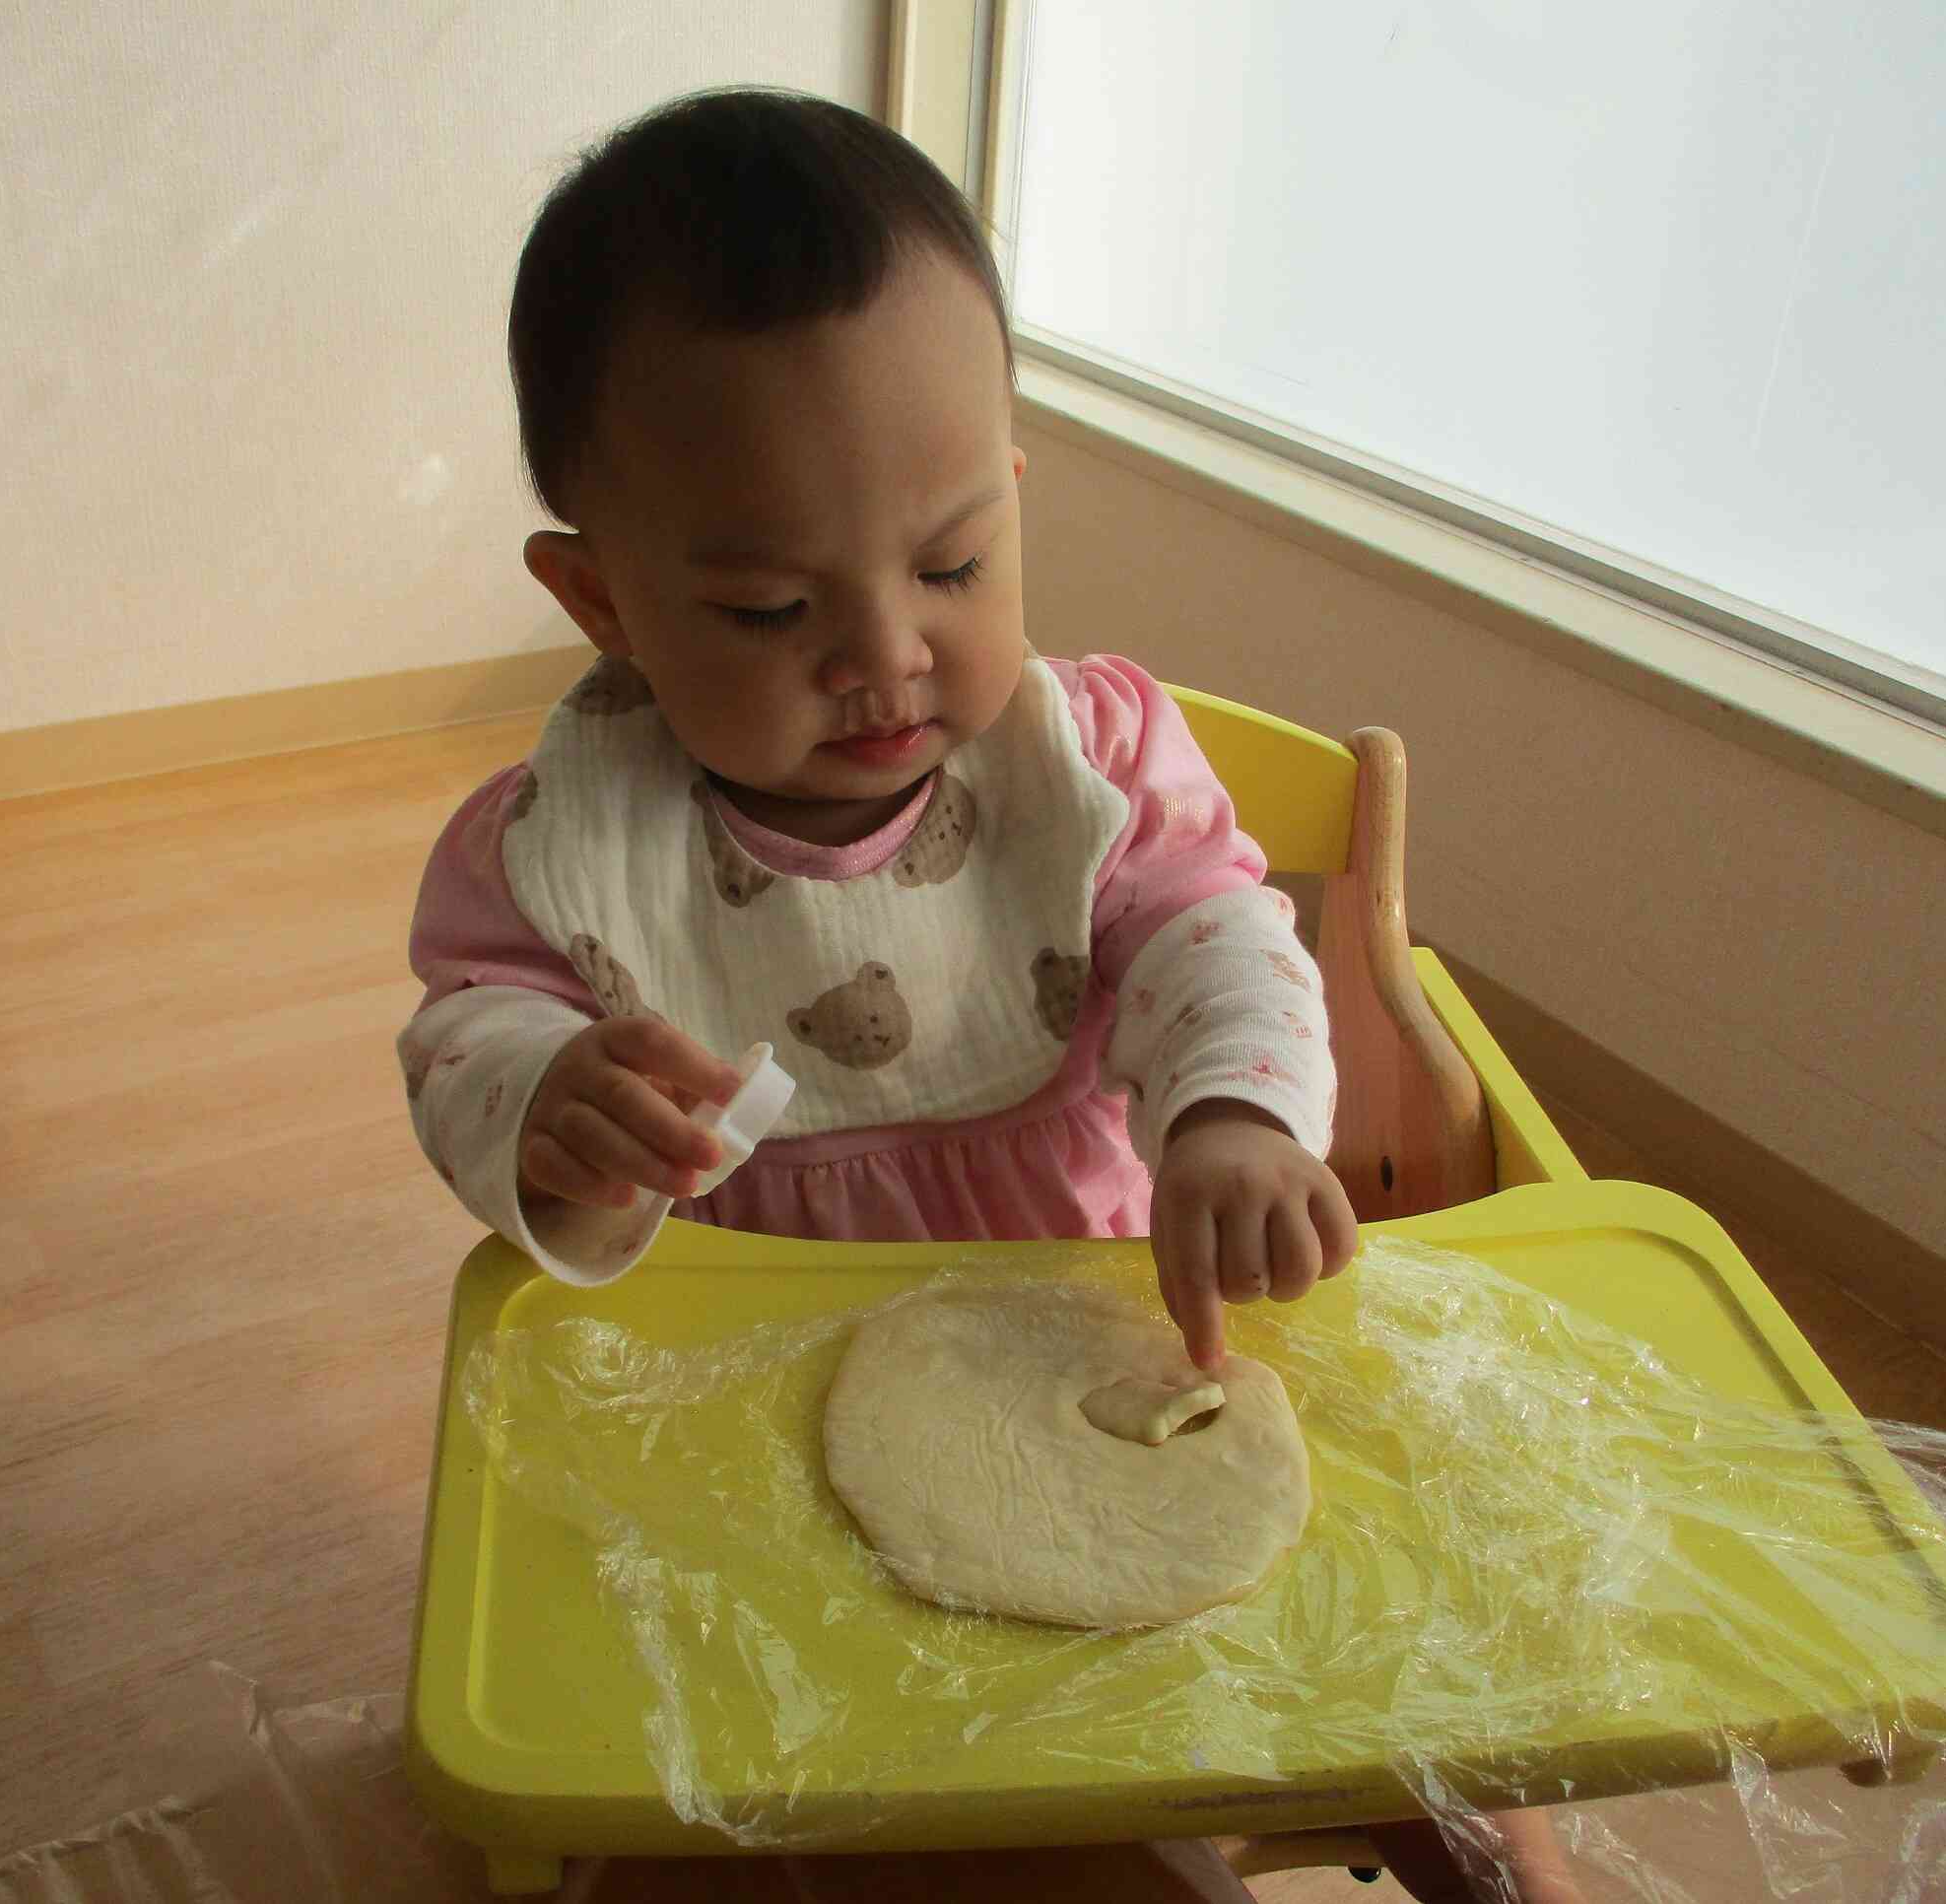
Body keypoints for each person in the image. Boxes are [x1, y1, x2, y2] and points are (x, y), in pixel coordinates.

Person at [399, 87, 1580, 1904]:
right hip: (754, 1371)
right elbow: (467, 1031)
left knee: (1414, 1668)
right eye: (772, 607)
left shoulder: (1086, 764)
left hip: (1106, 1319)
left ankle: (1507, 1856)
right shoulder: (562, 847)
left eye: (952, 565)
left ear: (1011, 500)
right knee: (811, 1776)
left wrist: (1237, 1113)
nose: (885, 651)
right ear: (604, 599)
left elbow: (1215, 927)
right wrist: (550, 1104)